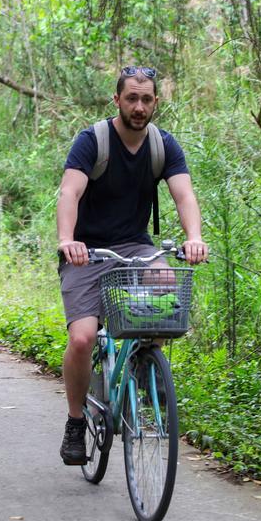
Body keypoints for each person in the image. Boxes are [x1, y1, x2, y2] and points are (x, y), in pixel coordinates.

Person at [55, 66, 208, 464]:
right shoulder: (93, 140)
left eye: (146, 99)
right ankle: (75, 422)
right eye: (131, 99)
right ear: (117, 100)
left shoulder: (163, 145)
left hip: (135, 247)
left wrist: (194, 237)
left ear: (156, 102)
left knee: (166, 283)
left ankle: (145, 368)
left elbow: (184, 196)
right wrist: (67, 241)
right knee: (84, 338)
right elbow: (70, 191)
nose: (139, 107)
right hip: (86, 251)